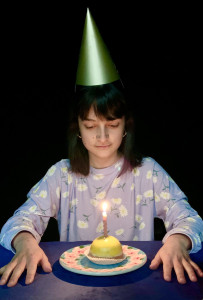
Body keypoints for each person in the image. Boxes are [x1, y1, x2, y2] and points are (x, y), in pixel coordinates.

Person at [0, 9, 203, 288]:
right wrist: (24, 242)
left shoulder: (147, 173)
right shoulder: (62, 175)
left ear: (126, 127)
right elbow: (21, 218)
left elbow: (188, 216)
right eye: (91, 126)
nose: (103, 135)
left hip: (136, 286)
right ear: (78, 131)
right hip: (74, 288)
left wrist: (179, 240)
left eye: (112, 124)